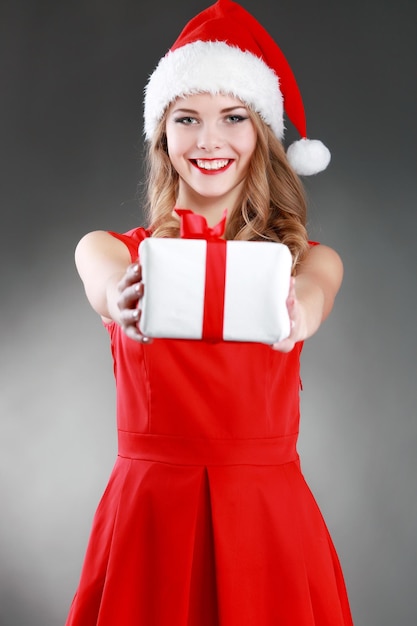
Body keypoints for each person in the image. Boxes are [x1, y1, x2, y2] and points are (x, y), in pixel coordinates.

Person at [65, 1, 353, 624]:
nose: (209, 139)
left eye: (233, 118)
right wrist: (121, 298)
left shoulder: (306, 260)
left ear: (261, 136)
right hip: (150, 515)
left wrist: (299, 310)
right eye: (187, 118)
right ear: (163, 137)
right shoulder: (113, 250)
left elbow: (317, 294)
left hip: (266, 516)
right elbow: (102, 281)